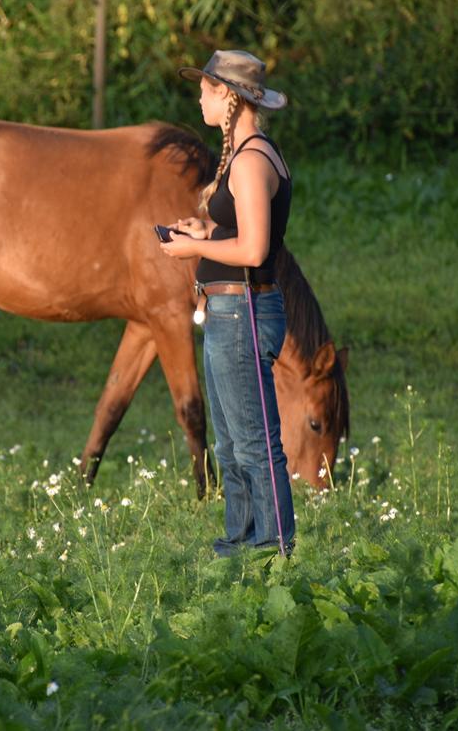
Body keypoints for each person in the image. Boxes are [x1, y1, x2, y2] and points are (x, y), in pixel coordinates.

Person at [159, 49, 296, 557]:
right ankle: (238, 547)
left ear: (229, 97)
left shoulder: (253, 162)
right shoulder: (245, 157)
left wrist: (194, 250)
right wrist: (206, 231)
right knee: (232, 445)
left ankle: (272, 549)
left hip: (244, 313)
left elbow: (255, 250)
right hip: (229, 311)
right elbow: (241, 231)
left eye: (206, 90)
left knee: (254, 444)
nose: (200, 99)